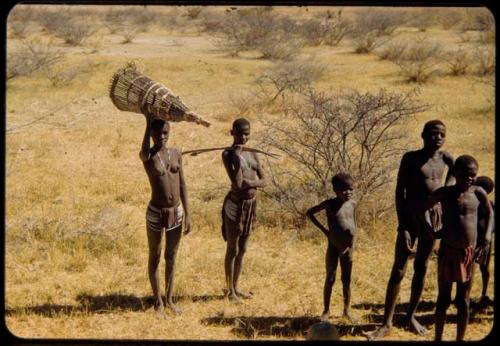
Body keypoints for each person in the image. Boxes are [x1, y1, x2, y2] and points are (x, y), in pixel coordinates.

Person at [367, 120, 454, 339]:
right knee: (399, 268)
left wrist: (444, 194)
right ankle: (386, 323)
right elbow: (400, 192)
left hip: (432, 219)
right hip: (411, 216)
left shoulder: (446, 159)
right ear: (423, 135)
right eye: (433, 134)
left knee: (422, 266)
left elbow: (456, 179)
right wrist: (403, 226)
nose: (438, 138)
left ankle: (410, 316)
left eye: (441, 134)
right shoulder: (411, 158)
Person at [422, 155, 493, 341]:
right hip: (447, 251)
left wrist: (485, 238)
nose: (470, 179)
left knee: (463, 300)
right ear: (456, 173)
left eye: (473, 175)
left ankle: (459, 339)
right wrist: (431, 230)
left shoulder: (478, 193)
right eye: (465, 175)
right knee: (443, 299)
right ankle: (438, 337)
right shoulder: (445, 193)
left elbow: (490, 213)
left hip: (468, 253)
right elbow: (424, 208)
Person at [139, 108, 191, 318]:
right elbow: (142, 152)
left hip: (176, 212)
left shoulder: (176, 153)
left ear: (170, 132)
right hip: (155, 213)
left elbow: (183, 185)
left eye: (165, 133)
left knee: (171, 256)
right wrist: (147, 122)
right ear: (151, 134)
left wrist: (188, 213)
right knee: (156, 255)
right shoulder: (149, 156)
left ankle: (169, 299)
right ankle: (158, 301)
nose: (161, 137)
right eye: (157, 133)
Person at [221, 118, 266, 303]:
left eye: (246, 133)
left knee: (243, 248)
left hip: (251, 205)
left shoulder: (253, 154)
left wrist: (253, 183)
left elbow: (264, 181)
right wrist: (238, 158)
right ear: (232, 133)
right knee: (233, 248)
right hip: (236, 206)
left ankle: (236, 287)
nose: (243, 137)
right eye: (239, 133)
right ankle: (229, 290)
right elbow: (238, 183)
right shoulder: (227, 155)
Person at [306, 173, 357, 323]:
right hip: (334, 246)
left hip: (348, 248)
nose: (348, 192)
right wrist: (325, 232)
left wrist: (353, 244)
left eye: (350, 189)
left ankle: (346, 311)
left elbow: (355, 223)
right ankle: (326, 311)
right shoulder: (330, 204)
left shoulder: (353, 204)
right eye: (344, 190)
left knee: (346, 280)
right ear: (335, 190)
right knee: (330, 278)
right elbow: (310, 213)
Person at [473, 175, 495, 307]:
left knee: (484, 268)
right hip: (473, 240)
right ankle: (462, 295)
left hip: (485, 241)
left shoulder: (490, 205)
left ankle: (484, 294)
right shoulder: (472, 203)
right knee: (469, 269)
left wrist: (487, 238)